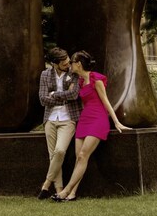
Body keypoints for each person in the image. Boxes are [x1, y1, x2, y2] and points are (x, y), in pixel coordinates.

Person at [52, 50, 129, 201]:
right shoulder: (79, 81)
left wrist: (116, 121)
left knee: (82, 155)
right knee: (79, 158)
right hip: (84, 119)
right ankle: (73, 193)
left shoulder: (97, 79)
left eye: (72, 62)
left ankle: (66, 191)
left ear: (79, 64)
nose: (70, 65)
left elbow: (106, 101)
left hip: (98, 119)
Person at [37, 47, 82, 199]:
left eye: (68, 62)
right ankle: (59, 190)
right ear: (54, 64)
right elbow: (43, 99)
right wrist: (63, 96)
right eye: (64, 64)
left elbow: (74, 94)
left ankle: (46, 185)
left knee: (60, 151)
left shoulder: (73, 73)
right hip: (50, 119)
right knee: (53, 156)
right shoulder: (45, 74)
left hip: (68, 119)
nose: (68, 65)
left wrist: (54, 94)